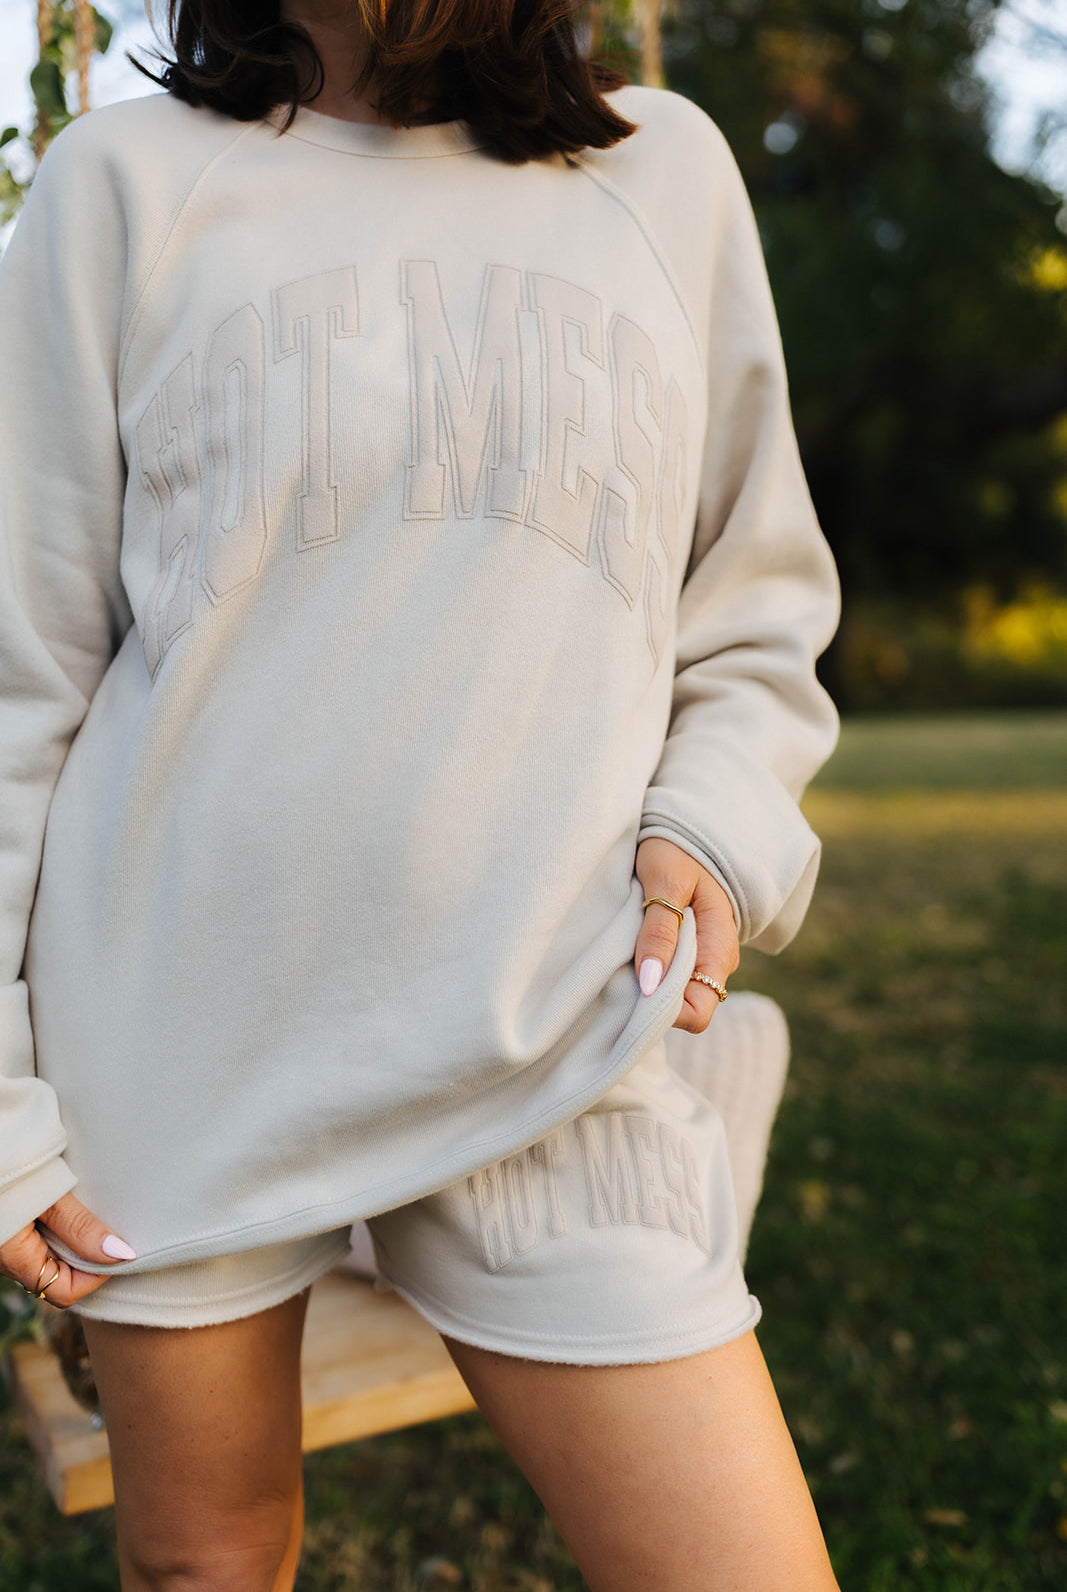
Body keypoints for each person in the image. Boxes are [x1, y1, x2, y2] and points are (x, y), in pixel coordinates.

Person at [0, 0, 843, 1586]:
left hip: (558, 1032)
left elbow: (754, 607)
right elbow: (16, 677)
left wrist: (711, 826)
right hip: (180, 1053)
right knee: (208, 1565)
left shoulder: (665, 174)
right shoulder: (117, 184)